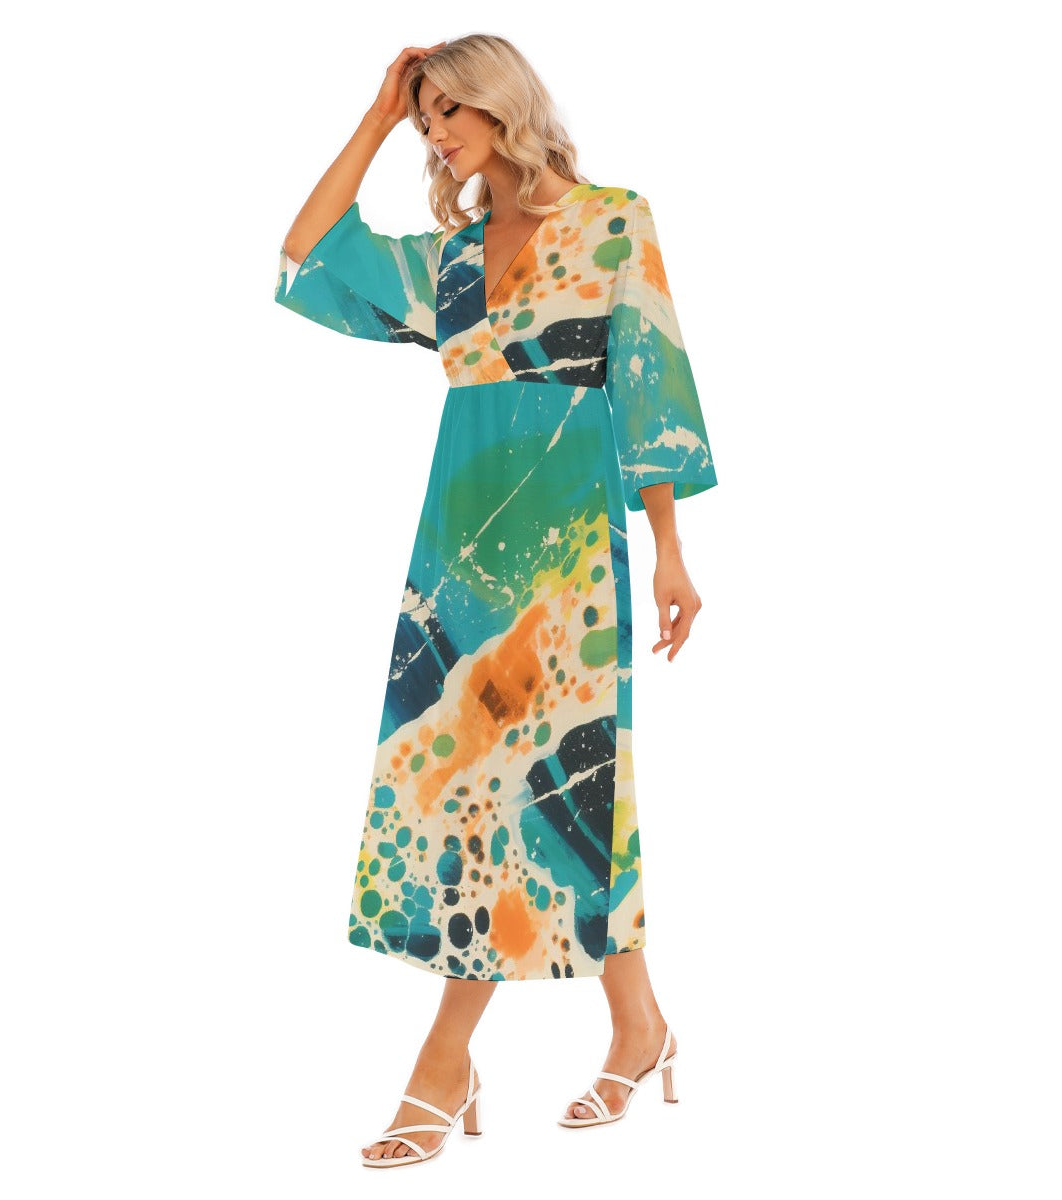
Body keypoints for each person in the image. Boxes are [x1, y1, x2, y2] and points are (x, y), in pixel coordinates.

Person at [274, 34, 717, 1167]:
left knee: (506, 786)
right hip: (459, 554)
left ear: (501, 103)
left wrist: (669, 549)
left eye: (448, 111)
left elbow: (649, 385)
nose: (436, 134)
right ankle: (641, 1028)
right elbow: (305, 252)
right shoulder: (456, 258)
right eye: (426, 119)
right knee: (555, 789)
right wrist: (376, 117)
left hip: (569, 552)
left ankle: (445, 1057)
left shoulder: (614, 221)